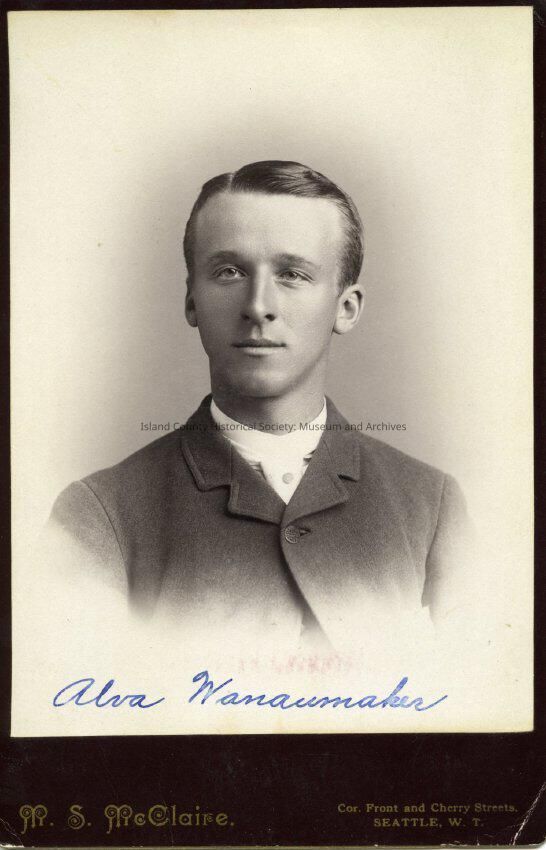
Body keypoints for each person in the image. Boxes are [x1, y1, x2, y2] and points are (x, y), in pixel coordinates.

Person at [46, 160, 473, 654]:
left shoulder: (433, 506)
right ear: (192, 301)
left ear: (346, 308)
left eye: (292, 274)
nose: (257, 306)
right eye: (229, 272)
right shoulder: (97, 517)